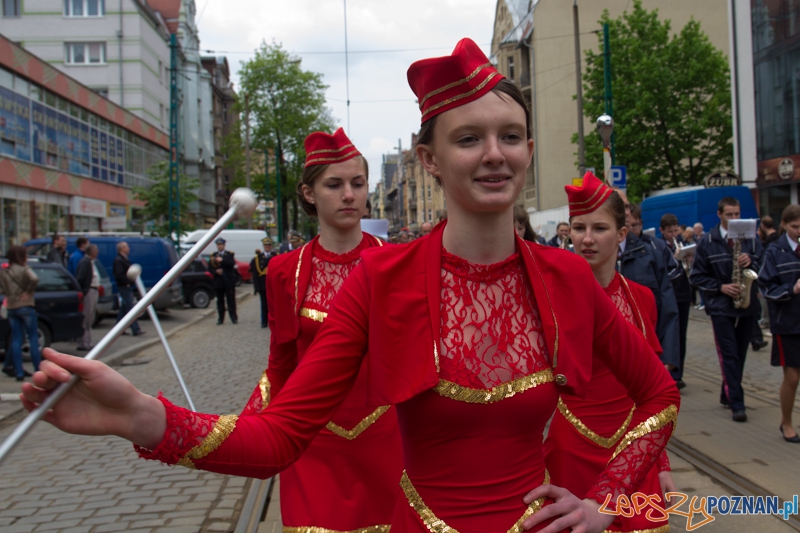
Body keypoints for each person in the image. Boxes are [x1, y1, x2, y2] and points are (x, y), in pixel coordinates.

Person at [22, 38, 680, 532]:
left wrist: (605, 501)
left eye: (510, 136)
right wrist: (142, 415)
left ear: (529, 150)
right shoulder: (381, 280)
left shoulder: (565, 277)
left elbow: (657, 393)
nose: (493, 153)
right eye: (469, 138)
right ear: (429, 158)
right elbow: (280, 435)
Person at [238, 128, 402, 531]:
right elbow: (282, 361)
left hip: (389, 436)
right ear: (309, 194)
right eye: (335, 184)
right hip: (312, 438)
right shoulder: (283, 271)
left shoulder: (399, 263)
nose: (349, 195)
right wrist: (246, 428)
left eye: (357, 183)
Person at [545, 172, 675, 533]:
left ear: (621, 234)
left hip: (631, 454)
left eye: (599, 228)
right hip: (569, 449)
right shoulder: (549, 300)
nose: (586, 239)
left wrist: (659, 463)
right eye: (578, 227)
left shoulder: (641, 299)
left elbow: (655, 391)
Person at [690, 197, 763, 422]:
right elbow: (696, 276)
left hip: (746, 304)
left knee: (740, 353)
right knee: (729, 354)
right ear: (719, 215)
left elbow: (764, 265)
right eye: (729, 215)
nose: (734, 219)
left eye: (737, 214)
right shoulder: (708, 241)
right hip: (721, 306)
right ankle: (737, 404)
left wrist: (751, 261)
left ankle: (727, 391)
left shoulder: (750, 239)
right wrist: (720, 287)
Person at [618, 205, 681, 372]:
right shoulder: (582, 257)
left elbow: (668, 308)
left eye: (626, 208)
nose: (625, 213)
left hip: (646, 356)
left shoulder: (650, 254)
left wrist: (668, 358)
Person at [758, 204, 800, 443]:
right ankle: (786, 422)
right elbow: (766, 287)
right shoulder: (775, 250)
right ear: (784, 225)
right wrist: (791, 289)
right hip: (788, 323)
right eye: (795, 227)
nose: (799, 231)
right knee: (792, 377)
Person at [661, 213, 694, 389]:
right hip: (669, 295)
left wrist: (689, 260)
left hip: (683, 293)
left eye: (675, 231)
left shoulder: (683, 244)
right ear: (662, 231)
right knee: (671, 335)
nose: (673, 235)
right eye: (669, 231)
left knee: (682, 334)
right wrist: (675, 258)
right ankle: (670, 371)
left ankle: (679, 372)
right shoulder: (660, 247)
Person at [0, 246, 40, 381]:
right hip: (26, 305)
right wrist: (28, 292)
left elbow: (1, 290)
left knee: (16, 339)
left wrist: (10, 294)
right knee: (33, 338)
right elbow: (34, 278)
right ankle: (38, 370)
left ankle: (19, 372)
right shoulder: (24, 269)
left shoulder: (5, 271)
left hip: (12, 307)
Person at [113, 242, 144, 337]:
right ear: (122, 249)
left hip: (127, 286)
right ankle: (135, 329)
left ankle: (118, 329)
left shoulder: (124, 259)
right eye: (127, 247)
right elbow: (119, 274)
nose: (129, 249)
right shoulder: (119, 260)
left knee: (124, 308)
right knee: (130, 308)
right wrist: (127, 281)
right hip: (124, 286)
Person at [75, 244, 100, 351]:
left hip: (93, 290)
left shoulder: (91, 262)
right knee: (86, 317)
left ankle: (88, 341)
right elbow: (80, 278)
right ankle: (83, 342)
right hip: (88, 291)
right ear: (92, 252)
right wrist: (84, 291)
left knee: (90, 317)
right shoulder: (85, 262)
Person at [209, 238, 237, 325]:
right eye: (218, 245)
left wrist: (222, 261)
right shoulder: (213, 255)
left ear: (224, 245)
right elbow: (209, 268)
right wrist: (215, 271)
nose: (219, 246)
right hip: (219, 281)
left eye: (221, 244)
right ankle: (220, 318)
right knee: (220, 301)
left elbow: (231, 264)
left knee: (231, 300)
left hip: (228, 281)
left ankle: (233, 317)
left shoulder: (229, 254)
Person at [249, 236, 274, 329]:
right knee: (263, 304)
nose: (267, 246)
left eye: (269, 245)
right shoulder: (258, 258)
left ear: (271, 246)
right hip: (263, 284)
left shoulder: (276, 256)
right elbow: (255, 274)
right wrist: (256, 287)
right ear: (263, 246)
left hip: (273, 285)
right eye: (266, 245)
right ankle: (264, 321)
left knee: (273, 305)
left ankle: (273, 321)